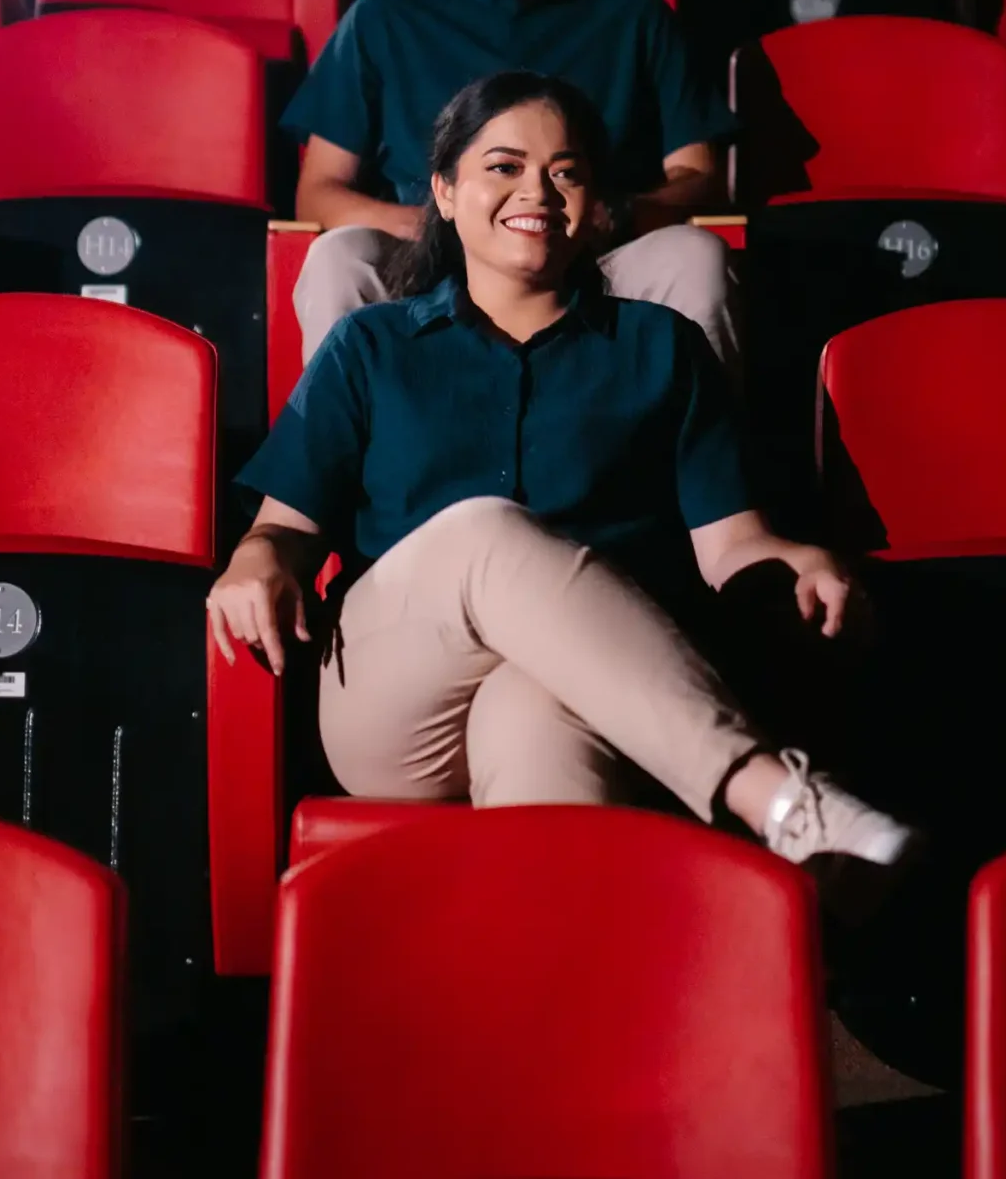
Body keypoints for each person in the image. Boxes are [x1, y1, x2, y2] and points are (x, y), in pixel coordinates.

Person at [209, 69, 913, 873]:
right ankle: (771, 795)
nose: (536, 192)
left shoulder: (663, 346)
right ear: (444, 192)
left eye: (566, 172)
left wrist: (794, 559)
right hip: (393, 703)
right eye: (503, 167)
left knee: (535, 707)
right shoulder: (369, 345)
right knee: (482, 529)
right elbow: (284, 529)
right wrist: (255, 555)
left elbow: (730, 545)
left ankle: (556, 955)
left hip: (586, 696)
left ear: (596, 202)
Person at [285, 0, 738, 367]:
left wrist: (618, 213)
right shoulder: (383, 17)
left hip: (589, 259)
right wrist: (428, 223)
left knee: (694, 256)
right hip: (432, 262)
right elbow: (319, 190)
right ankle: (344, 429)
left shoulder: (637, 17)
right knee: (339, 257)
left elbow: (699, 176)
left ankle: (699, 429)